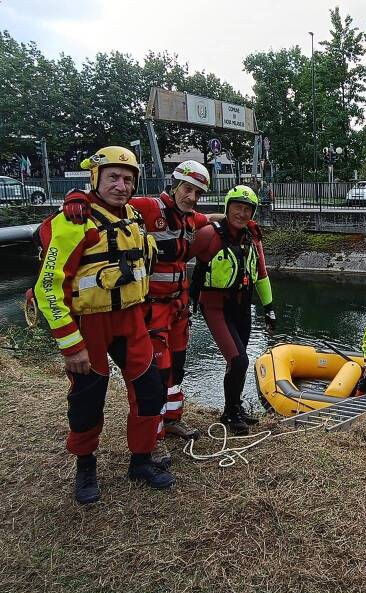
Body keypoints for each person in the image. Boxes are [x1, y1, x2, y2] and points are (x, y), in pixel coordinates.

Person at [32, 146, 171, 504]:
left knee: (150, 390)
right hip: (89, 324)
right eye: (113, 177)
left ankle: (140, 460)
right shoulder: (72, 223)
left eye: (127, 179)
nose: (121, 185)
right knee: (87, 398)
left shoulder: (134, 217)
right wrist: (70, 343)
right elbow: (47, 287)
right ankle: (85, 464)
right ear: (95, 178)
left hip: (131, 319)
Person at [63, 160, 219, 467]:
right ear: (174, 186)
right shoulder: (148, 208)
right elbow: (108, 204)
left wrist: (233, 219)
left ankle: (171, 419)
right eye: (188, 189)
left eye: (198, 193)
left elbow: (207, 219)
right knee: (153, 378)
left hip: (178, 308)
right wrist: (75, 198)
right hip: (150, 309)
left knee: (176, 370)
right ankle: (153, 438)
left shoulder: (188, 217)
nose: (192, 197)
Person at [191, 185, 276, 435]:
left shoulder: (252, 236)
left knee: (236, 362)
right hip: (215, 305)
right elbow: (178, 257)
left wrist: (269, 308)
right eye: (237, 207)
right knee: (239, 360)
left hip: (242, 306)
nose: (242, 213)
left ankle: (234, 407)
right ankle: (229, 413)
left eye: (247, 209)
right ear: (227, 207)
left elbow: (260, 274)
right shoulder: (209, 235)